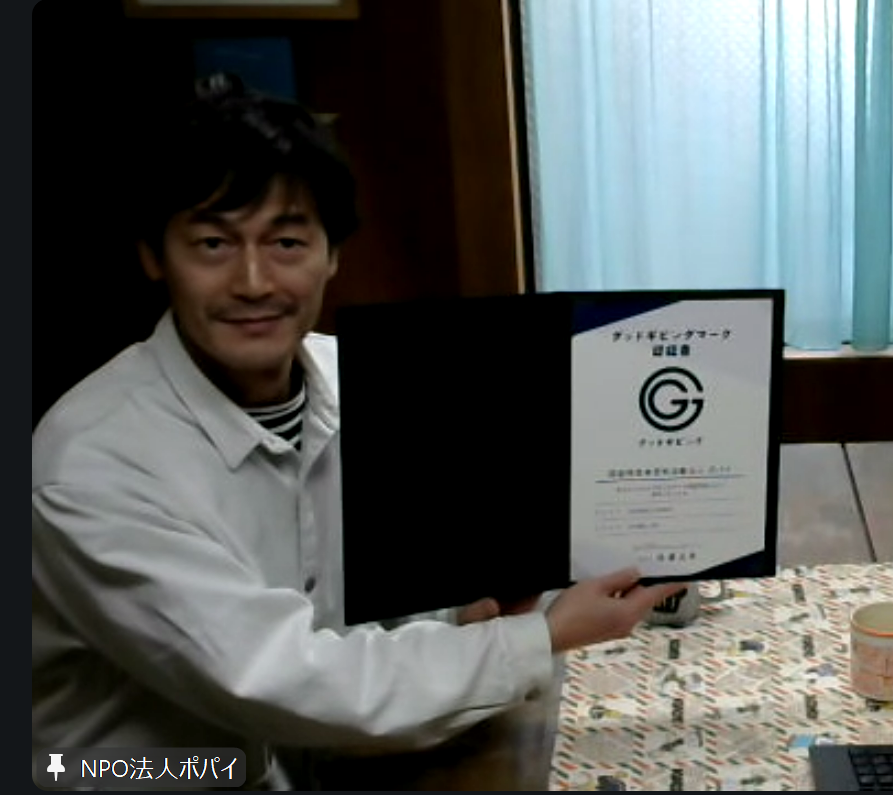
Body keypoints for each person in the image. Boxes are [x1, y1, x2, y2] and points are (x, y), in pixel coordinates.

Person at [31, 73, 686, 789]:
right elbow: (281, 676)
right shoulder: (91, 465)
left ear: (333, 252)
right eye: (213, 243)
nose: (254, 281)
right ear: (154, 256)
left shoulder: (357, 380)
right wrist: (542, 636)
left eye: (286, 241)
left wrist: (465, 616)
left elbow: (361, 607)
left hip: (322, 761)